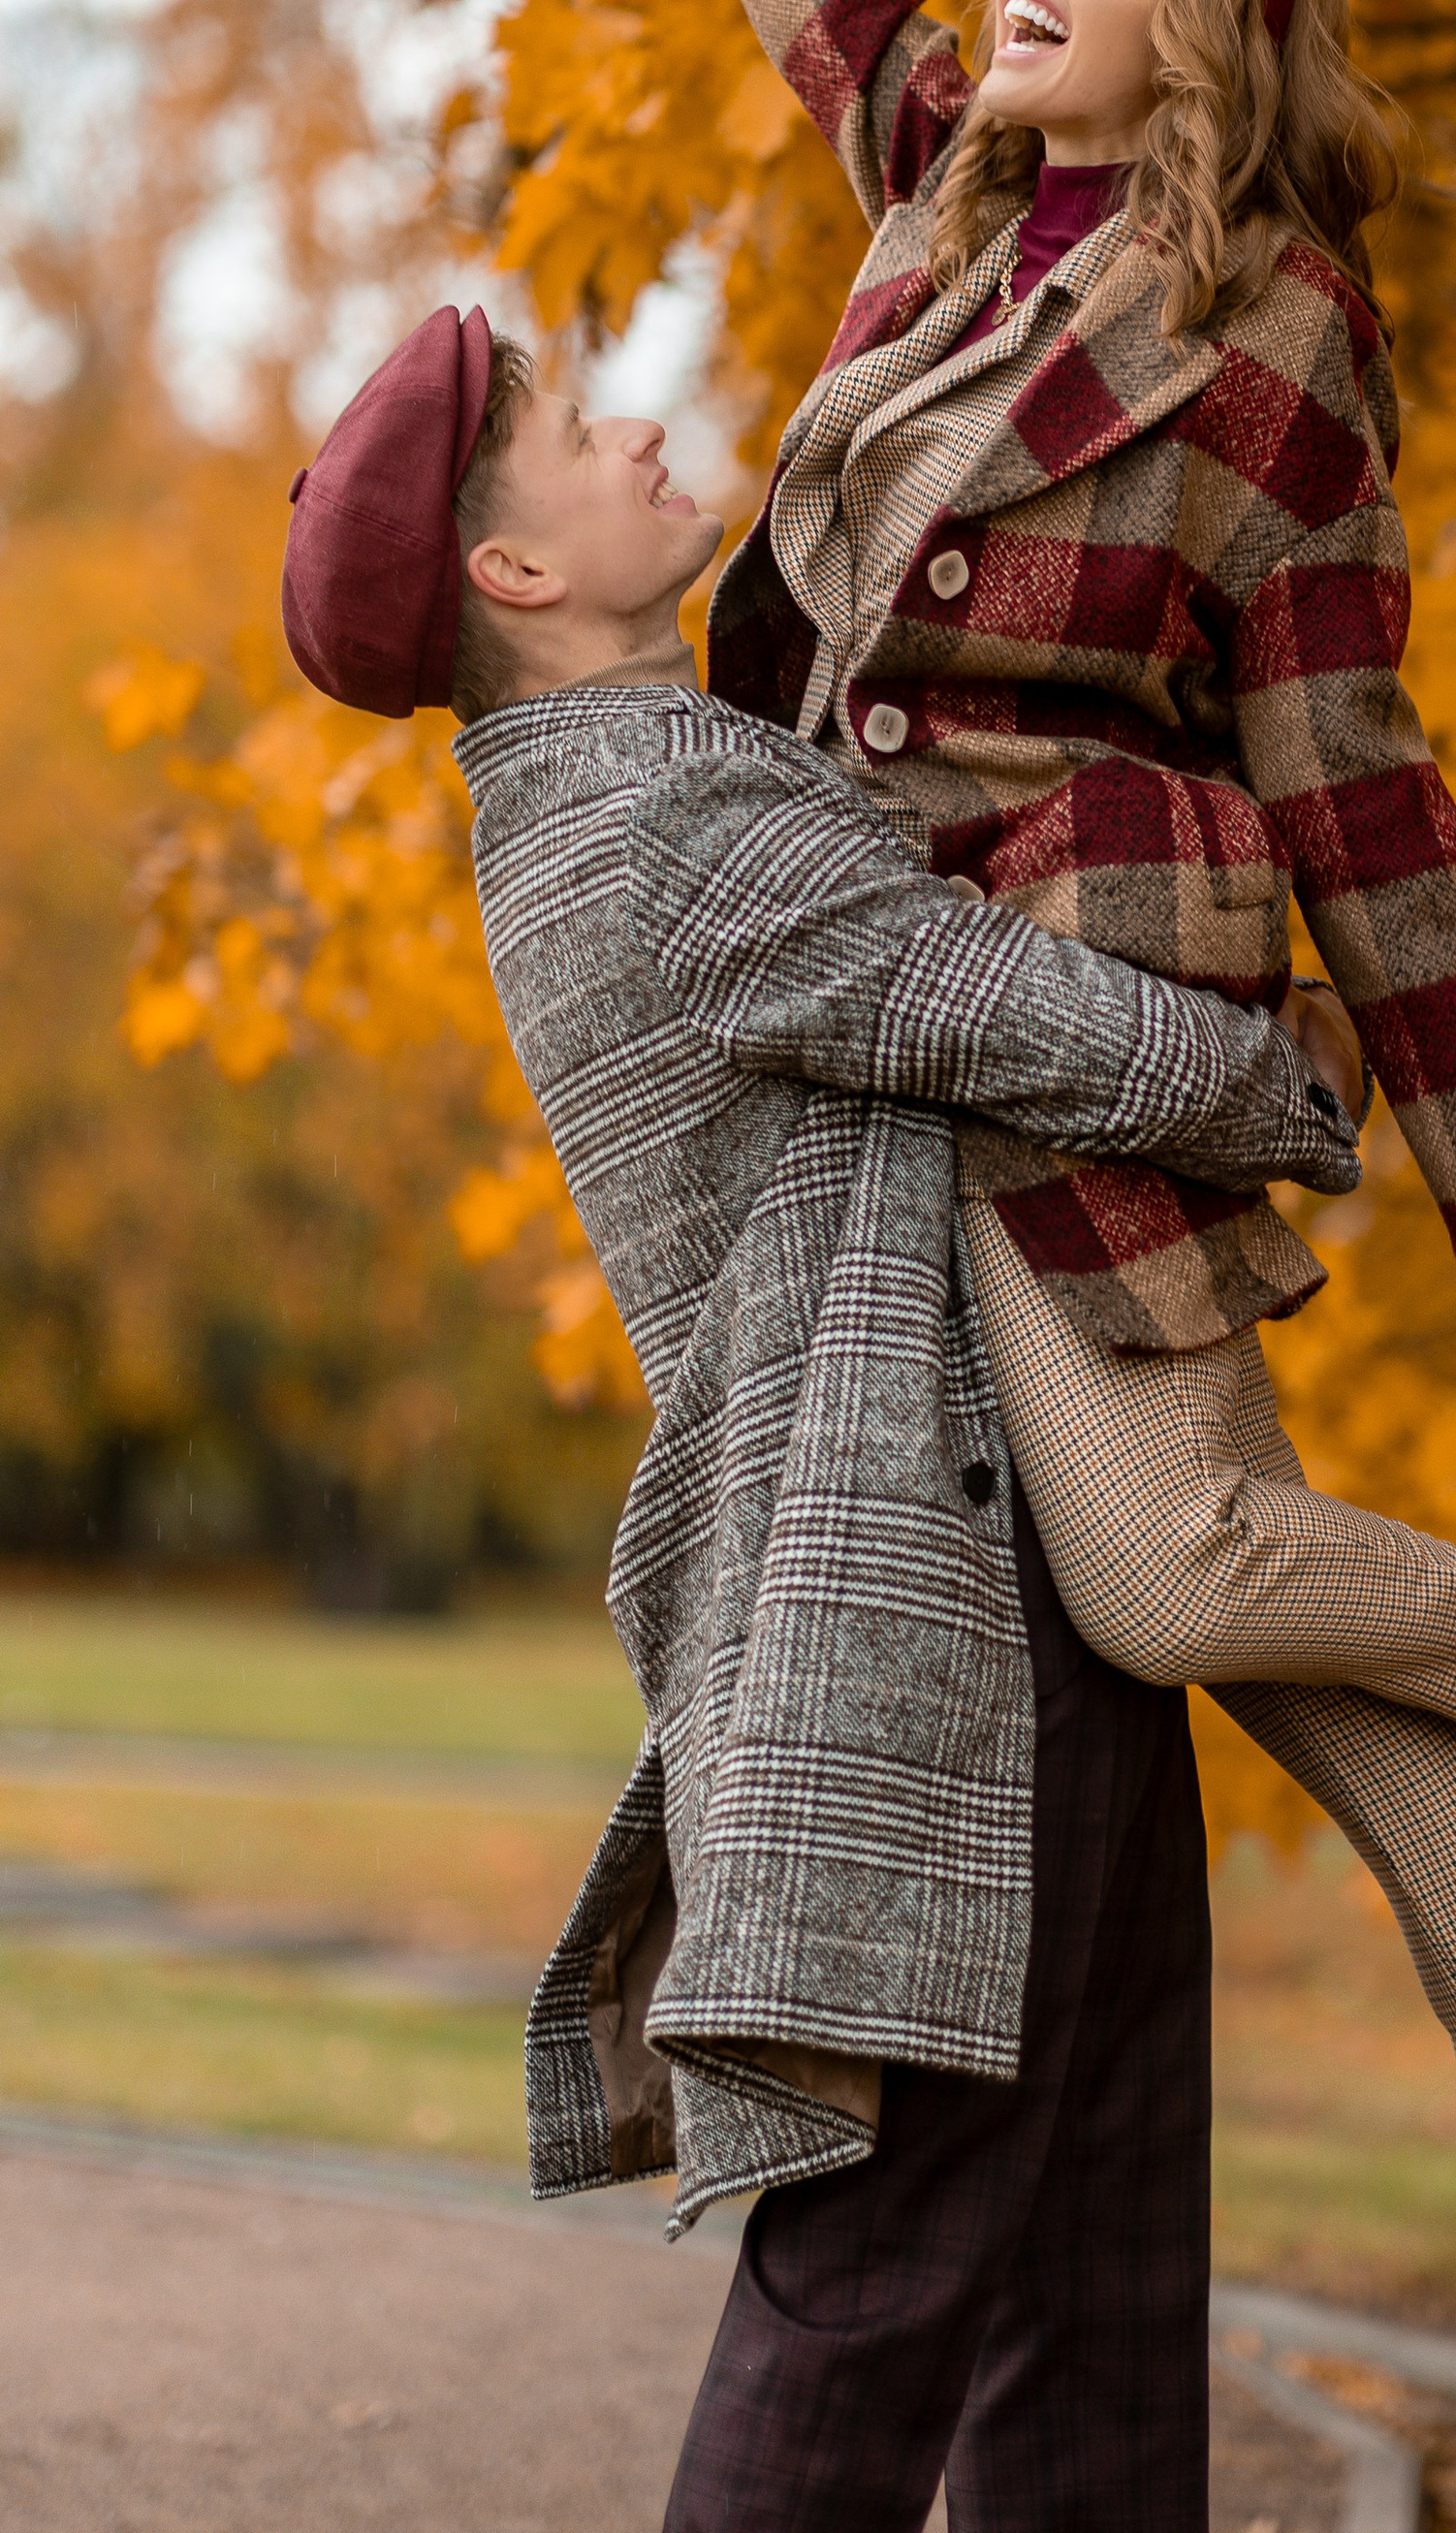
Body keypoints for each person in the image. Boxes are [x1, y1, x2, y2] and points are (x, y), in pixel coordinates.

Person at [670, 0, 1456, 2491]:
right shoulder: (934, 198)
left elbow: (1357, 772)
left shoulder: (1275, 351)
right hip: (887, 1029)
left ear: (1214, 42)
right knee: (1274, 1636)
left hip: (1082, 1009)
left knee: (1179, 1585)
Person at [280, 301, 1367, 2533]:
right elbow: (1009, 1012)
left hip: (996, 1560)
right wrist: (1318, 1090)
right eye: (583, 432)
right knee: (890, 2284)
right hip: (921, 1619)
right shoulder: (649, 819)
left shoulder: (660, 772)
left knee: (1090, 2269)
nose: (646, 423)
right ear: (509, 574)